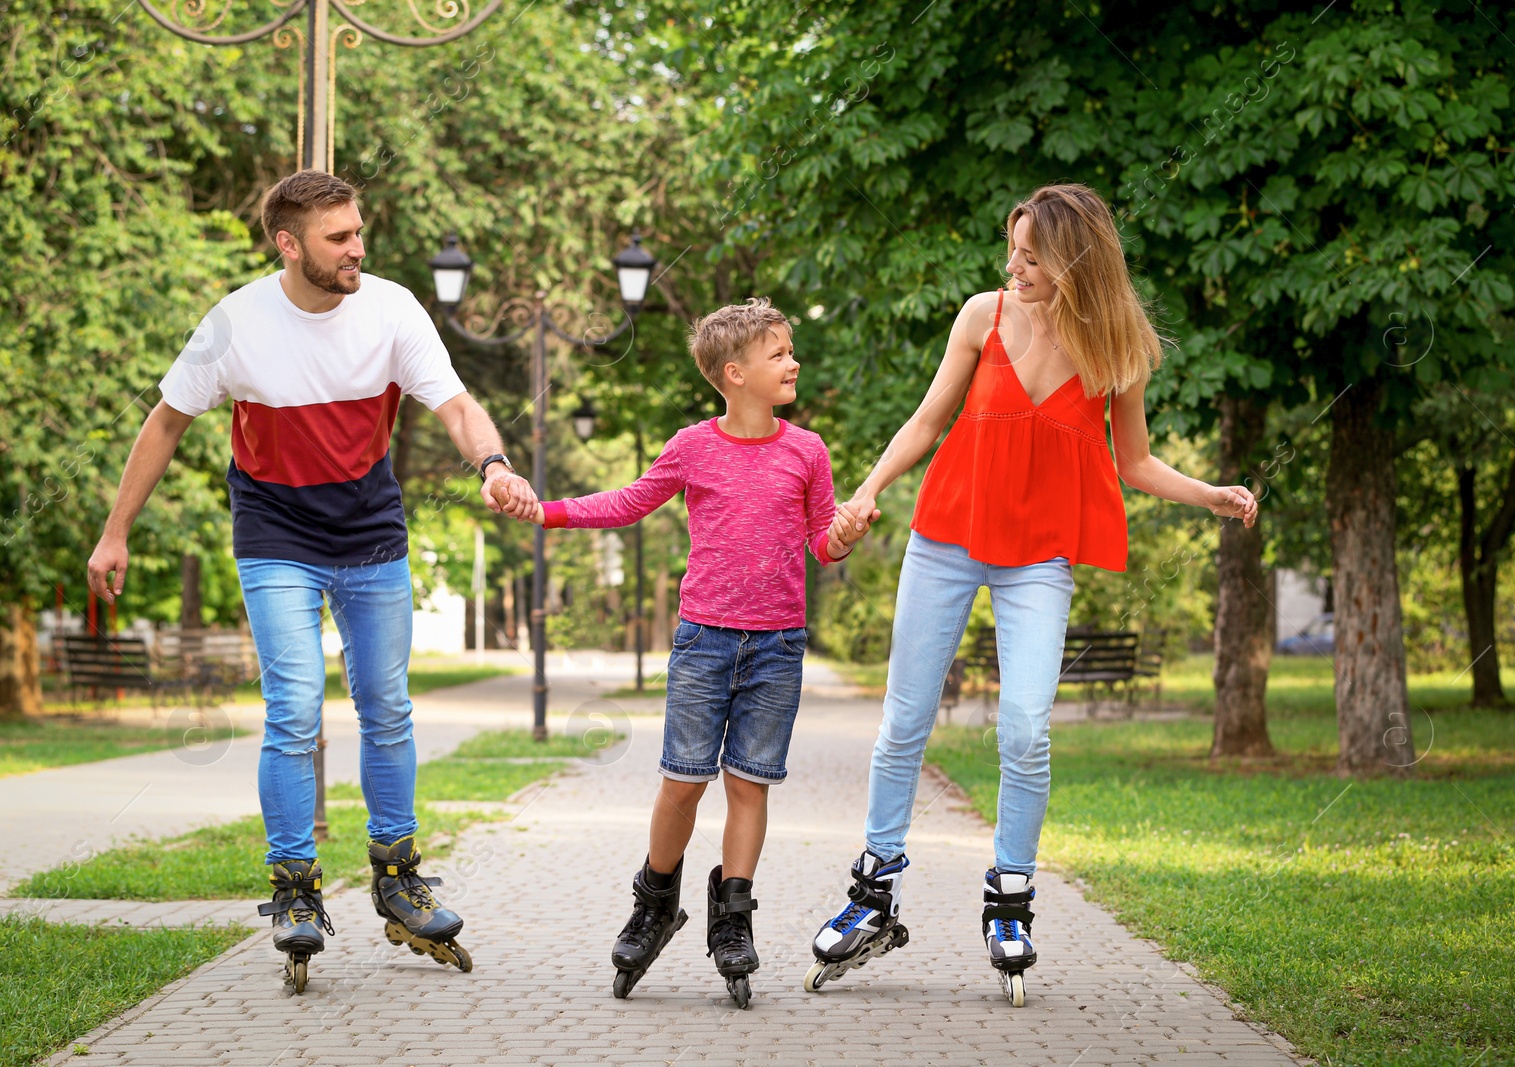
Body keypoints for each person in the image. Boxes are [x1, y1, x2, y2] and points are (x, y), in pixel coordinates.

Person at [85, 170, 539, 994]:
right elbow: (166, 421)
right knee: (294, 706)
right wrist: (116, 532)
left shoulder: (394, 309)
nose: (357, 247)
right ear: (289, 244)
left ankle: (398, 873)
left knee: (388, 703)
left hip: (370, 529)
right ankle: (294, 886)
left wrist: (494, 464)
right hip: (275, 532)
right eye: (339, 237)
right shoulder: (236, 322)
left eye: (359, 231)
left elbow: (458, 406)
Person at [804, 183, 1258, 1006]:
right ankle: (874, 889)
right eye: (1011, 249)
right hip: (944, 540)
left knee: (1025, 726)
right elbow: (926, 419)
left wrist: (1212, 492)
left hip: (1038, 558)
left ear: (1076, 261)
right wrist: (864, 493)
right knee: (904, 719)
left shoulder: (1119, 350)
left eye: (1032, 255)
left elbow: (1136, 465)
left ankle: (1009, 899)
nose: (1015, 266)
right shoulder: (983, 315)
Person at [520, 297, 863, 1008]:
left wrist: (847, 534)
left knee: (750, 782)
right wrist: (546, 510)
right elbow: (627, 501)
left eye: (790, 350)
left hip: (777, 646)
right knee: (683, 781)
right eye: (779, 354)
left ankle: (733, 917)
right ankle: (654, 901)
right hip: (705, 643)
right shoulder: (692, 446)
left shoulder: (809, 450)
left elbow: (821, 542)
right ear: (734, 373)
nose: (793, 361)